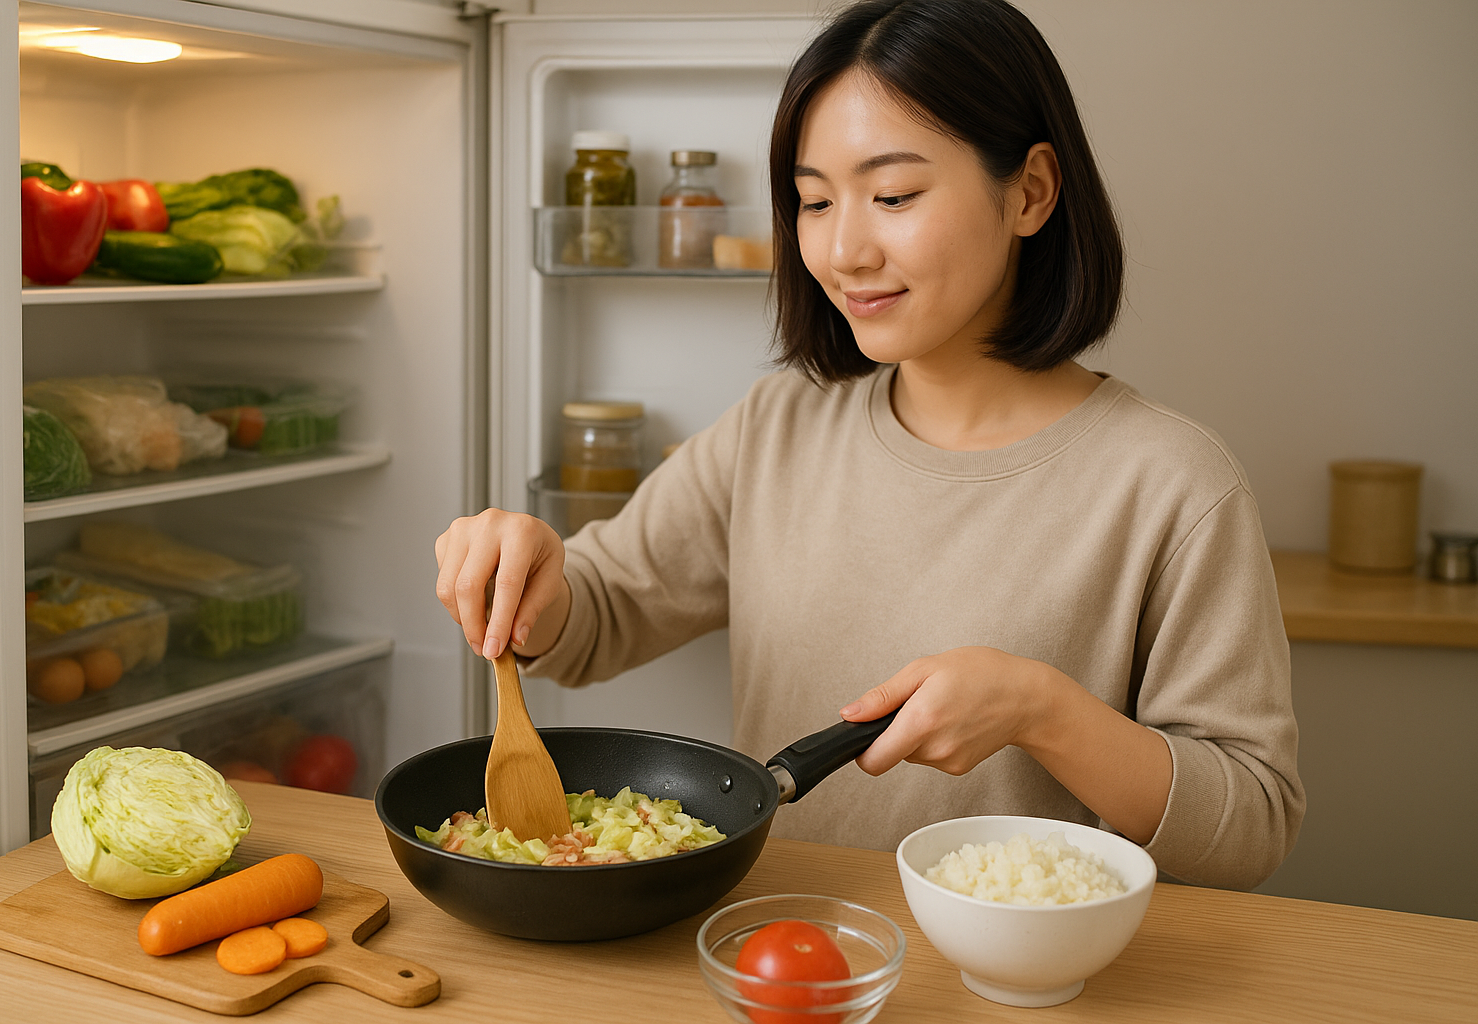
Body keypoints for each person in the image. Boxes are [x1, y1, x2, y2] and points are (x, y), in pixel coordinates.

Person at [435, 0, 1303, 890]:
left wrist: (1042, 711)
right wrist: (527, 578)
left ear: (1031, 192)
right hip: (778, 953)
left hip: (1018, 982)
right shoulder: (779, 426)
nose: (843, 248)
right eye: (814, 201)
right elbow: (600, 612)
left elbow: (1249, 827)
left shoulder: (1172, 483)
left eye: (893, 196)